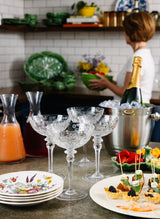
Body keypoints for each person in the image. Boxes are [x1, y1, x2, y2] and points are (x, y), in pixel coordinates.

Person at [89, 11, 156, 104]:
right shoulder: (144, 54)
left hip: (132, 112)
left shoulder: (137, 57)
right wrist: (109, 81)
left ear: (131, 32)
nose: (124, 34)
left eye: (125, 30)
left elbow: (126, 92)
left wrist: (106, 84)